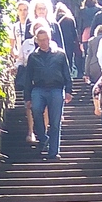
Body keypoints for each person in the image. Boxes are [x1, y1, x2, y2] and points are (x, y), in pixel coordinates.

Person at [23, 22, 71, 160]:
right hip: (38, 88)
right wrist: (27, 97)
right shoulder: (33, 57)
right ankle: (43, 138)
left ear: (50, 39)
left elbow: (66, 73)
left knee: (55, 122)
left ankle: (54, 152)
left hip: (56, 89)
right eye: (41, 40)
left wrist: (69, 90)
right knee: (36, 111)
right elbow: (28, 78)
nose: (44, 43)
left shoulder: (60, 54)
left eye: (46, 39)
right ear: (37, 41)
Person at [56, 2, 82, 81]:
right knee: (69, 60)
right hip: (69, 43)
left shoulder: (55, 20)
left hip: (59, 42)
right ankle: (68, 76)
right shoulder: (69, 19)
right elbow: (74, 33)